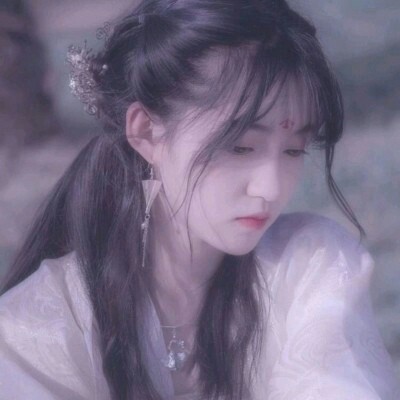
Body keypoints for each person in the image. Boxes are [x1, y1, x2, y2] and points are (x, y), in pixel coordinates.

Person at [0, 0, 398, 399]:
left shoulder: (308, 267)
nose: (271, 188)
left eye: (294, 150)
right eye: (241, 147)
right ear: (147, 132)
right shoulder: (41, 328)